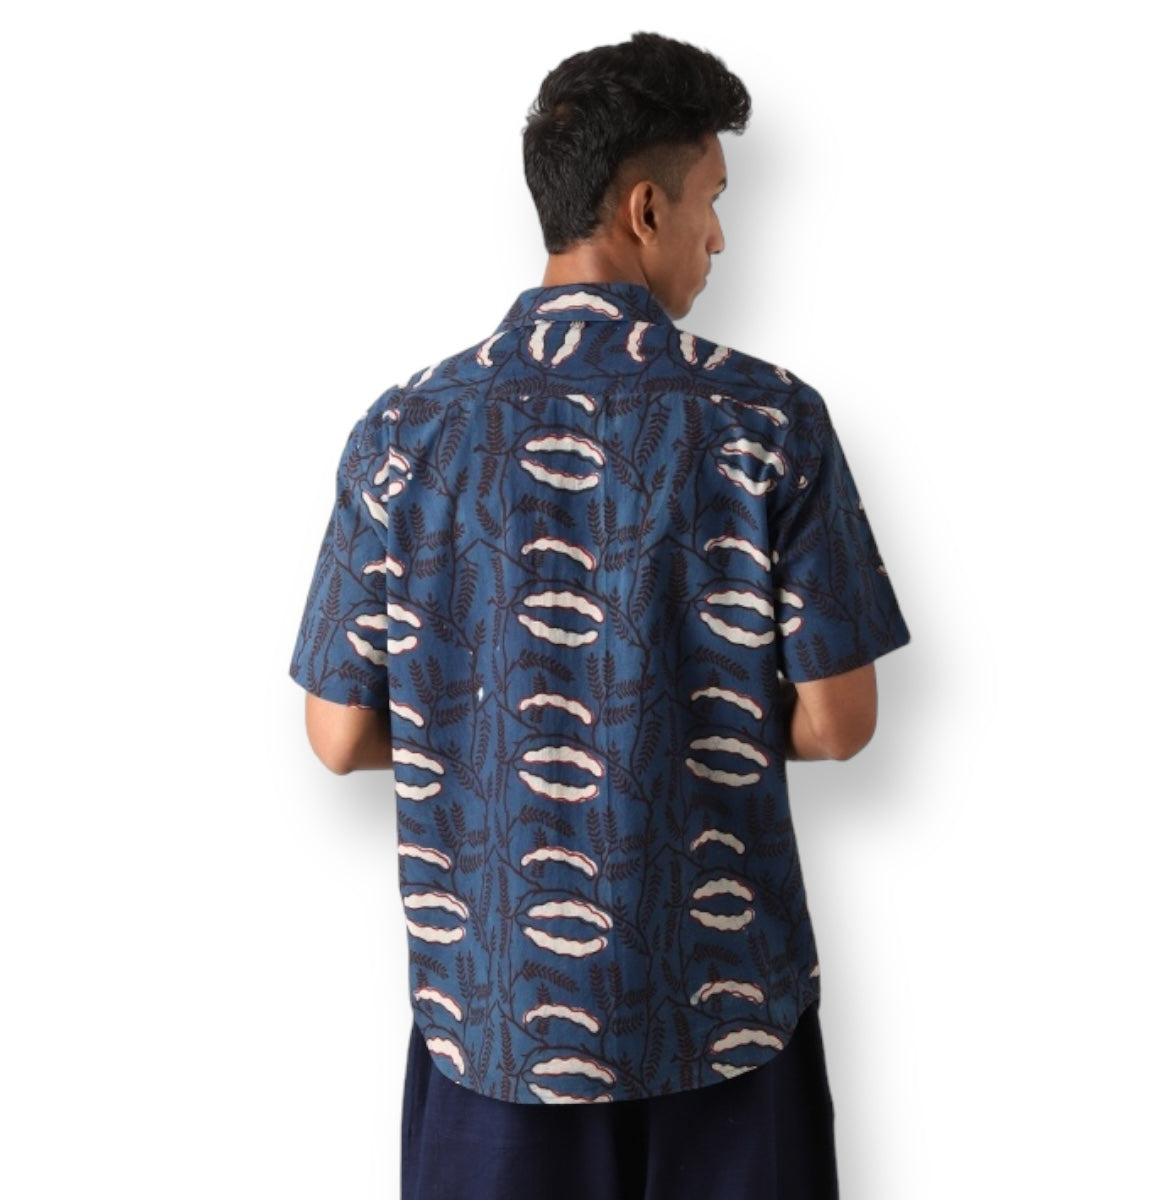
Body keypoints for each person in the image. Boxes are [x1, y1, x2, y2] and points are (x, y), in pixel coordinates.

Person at [290, 31, 910, 1200]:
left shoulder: (402, 431)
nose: (718, 237)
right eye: (712, 200)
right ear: (644, 208)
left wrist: (486, 731)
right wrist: (681, 721)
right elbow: (840, 722)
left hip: (495, 1031)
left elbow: (337, 734)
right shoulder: (768, 418)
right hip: (726, 1020)